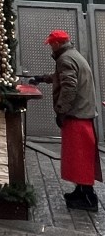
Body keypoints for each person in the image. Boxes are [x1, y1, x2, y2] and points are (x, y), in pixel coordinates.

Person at [35, 30, 101, 212]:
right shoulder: (72, 55)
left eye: (51, 43)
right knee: (79, 158)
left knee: (80, 158)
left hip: (77, 116)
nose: (50, 46)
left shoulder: (65, 59)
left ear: (56, 43)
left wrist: (61, 111)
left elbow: (69, 86)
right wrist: (43, 78)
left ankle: (88, 198)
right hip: (83, 114)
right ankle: (80, 191)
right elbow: (63, 76)